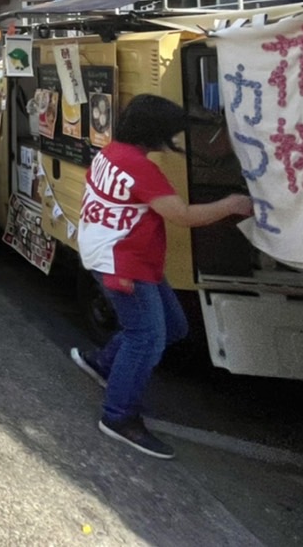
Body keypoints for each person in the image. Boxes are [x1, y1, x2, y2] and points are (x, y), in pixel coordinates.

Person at [70, 96, 252, 459]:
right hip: (124, 262)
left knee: (172, 327)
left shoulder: (110, 153)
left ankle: (104, 363)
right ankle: (118, 416)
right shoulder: (140, 168)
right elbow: (181, 215)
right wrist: (232, 204)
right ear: (155, 134)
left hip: (110, 253)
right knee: (147, 337)